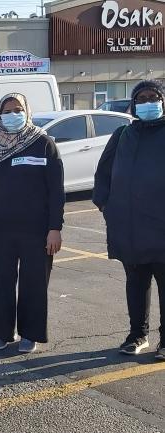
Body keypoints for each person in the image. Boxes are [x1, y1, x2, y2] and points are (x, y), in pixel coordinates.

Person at [0, 93, 65, 354]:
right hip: (2, 228)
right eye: (7, 110)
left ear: (28, 111)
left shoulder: (43, 143)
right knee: (2, 283)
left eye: (18, 109)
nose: (13, 114)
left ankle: (30, 334)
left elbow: (56, 191)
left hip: (37, 230)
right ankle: (3, 333)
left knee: (33, 284)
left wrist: (55, 228)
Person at [93, 80, 165, 360]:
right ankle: (138, 334)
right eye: (142, 98)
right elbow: (103, 174)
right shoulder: (123, 134)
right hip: (129, 227)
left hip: (161, 227)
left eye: (154, 97)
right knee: (136, 284)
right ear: (134, 105)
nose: (148, 102)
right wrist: (106, 205)